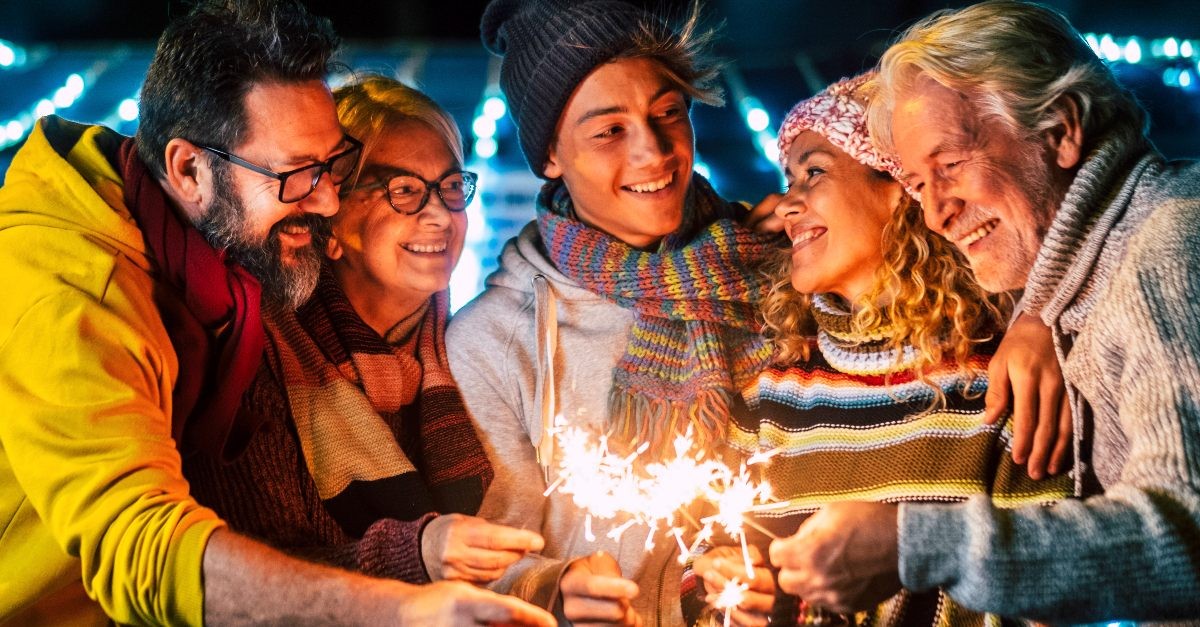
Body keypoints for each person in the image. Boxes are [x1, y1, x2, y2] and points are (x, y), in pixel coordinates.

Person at [0, 2, 554, 625]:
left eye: (334, 166)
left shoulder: (216, 258)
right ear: (189, 169)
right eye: (295, 174)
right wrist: (399, 610)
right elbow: (146, 549)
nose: (325, 202)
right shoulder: (77, 294)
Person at [769, 1, 1200, 622]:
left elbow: (1187, 537)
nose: (937, 213)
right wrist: (1037, 314)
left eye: (949, 166)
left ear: (1059, 130)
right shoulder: (1081, 274)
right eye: (918, 184)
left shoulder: (1170, 245)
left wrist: (915, 544)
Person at [682, 72, 1073, 627]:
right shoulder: (773, 388)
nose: (788, 206)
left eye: (814, 173)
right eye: (788, 180)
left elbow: (1048, 586)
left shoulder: (1003, 380)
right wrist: (731, 588)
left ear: (898, 189)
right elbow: (706, 552)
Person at [447, 0, 781, 623]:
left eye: (667, 114)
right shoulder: (494, 339)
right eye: (608, 131)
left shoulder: (766, 277)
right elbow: (476, 565)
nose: (652, 152)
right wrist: (556, 587)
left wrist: (754, 571)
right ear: (550, 154)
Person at [184, 74, 545, 586]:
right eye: (403, 190)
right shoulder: (258, 362)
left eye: (449, 187)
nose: (440, 214)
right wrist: (414, 554)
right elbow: (247, 579)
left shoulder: (473, 350)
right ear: (330, 217)